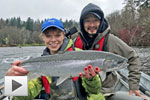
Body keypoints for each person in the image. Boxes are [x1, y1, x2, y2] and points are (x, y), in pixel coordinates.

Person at [6, 18, 105, 100]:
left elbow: (94, 91)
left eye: (57, 35)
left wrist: (91, 79)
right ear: (43, 38)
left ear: (63, 35)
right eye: (48, 36)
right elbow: (25, 97)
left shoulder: (80, 54)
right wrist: (12, 81)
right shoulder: (40, 64)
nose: (53, 40)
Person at [74, 3, 146, 100]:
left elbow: (133, 58)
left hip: (106, 92)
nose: (91, 25)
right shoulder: (74, 41)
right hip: (80, 92)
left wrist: (133, 85)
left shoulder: (111, 40)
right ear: (82, 23)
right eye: (87, 21)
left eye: (95, 21)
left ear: (101, 21)